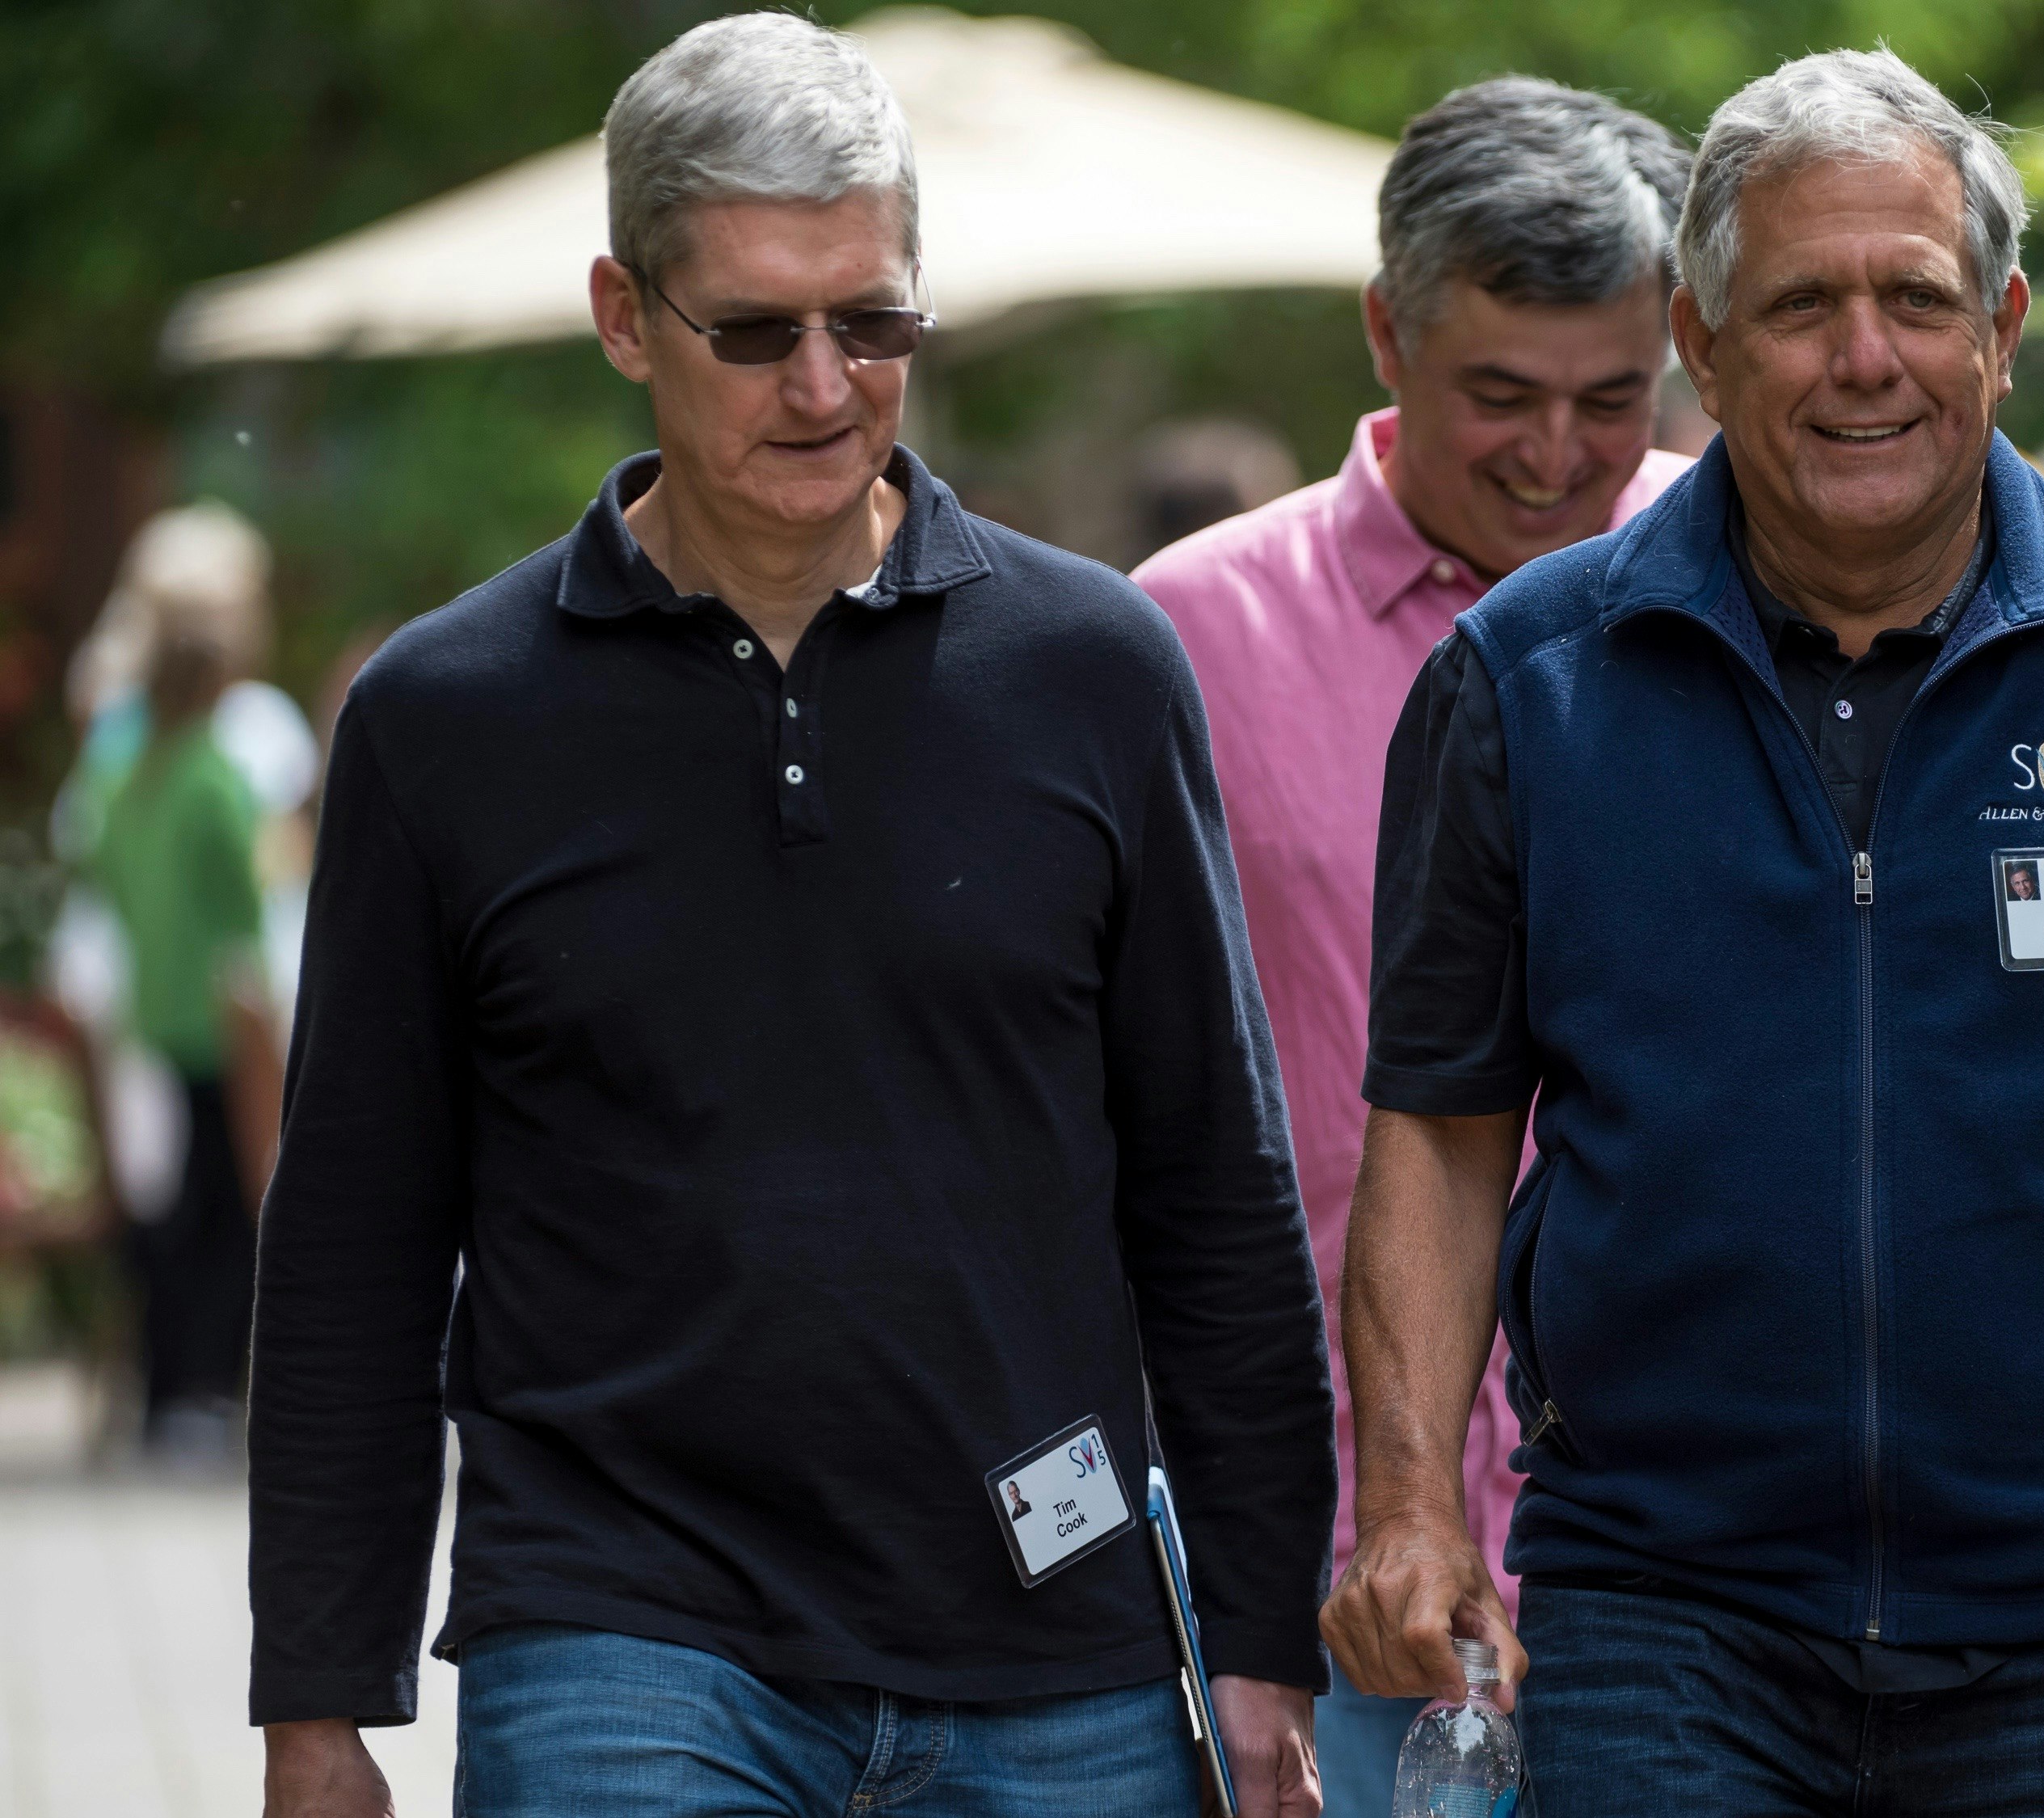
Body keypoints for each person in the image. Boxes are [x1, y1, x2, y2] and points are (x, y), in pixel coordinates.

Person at [1322, 48, 2044, 1818]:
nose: (1863, 355)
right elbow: (1434, 1130)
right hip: (1669, 1616)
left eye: (1914, 296)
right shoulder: (1529, 681)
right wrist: (1412, 1499)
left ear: (2003, 326)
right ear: (1701, 341)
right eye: (1800, 302)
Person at [248, 17, 1332, 1817]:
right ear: (623, 317)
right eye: (753, 329)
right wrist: (314, 1700)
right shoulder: (446, 716)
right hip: (618, 1625)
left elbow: (1214, 1178)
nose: (822, 384)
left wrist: (1260, 1629)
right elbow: (356, 1230)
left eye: (873, 321)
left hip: (1050, 1636)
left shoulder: (1092, 671)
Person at [1131, 76, 1692, 1817]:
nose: (1553, 455)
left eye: (1611, 399)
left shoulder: (1752, 582)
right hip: (1333, 1555)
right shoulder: (1186, 636)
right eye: (1497, 398)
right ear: (1386, 332)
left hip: (1709, 1549)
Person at [77, 567, 278, 1465]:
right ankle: (204, 1388)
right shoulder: (214, 776)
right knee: (228, 1209)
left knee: (153, 1215)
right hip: (216, 1020)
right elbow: (244, 906)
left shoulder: (123, 778)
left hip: (141, 1014)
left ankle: (161, 1391)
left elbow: (104, 881)